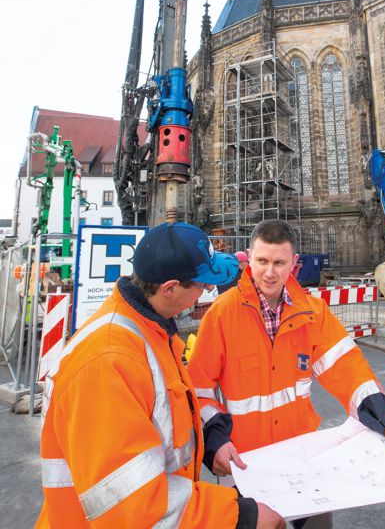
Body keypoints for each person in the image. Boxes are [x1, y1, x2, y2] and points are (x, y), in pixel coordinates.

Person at [36, 222, 285, 529]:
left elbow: (168, 414)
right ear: (170, 288)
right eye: (202, 285)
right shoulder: (109, 360)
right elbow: (131, 502)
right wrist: (240, 516)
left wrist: (212, 441)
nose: (205, 294)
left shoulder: (149, 331)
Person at [188, 219, 385, 529]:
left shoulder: (313, 313)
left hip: (303, 463)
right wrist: (215, 442)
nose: (270, 272)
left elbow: (350, 373)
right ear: (249, 257)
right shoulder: (222, 314)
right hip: (245, 467)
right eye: (262, 261)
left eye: (279, 263)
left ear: (294, 264)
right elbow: (198, 390)